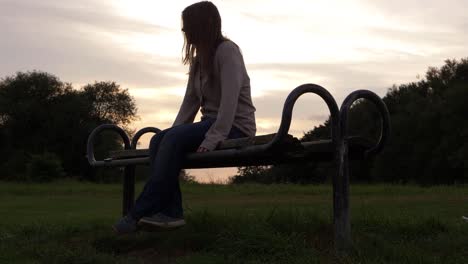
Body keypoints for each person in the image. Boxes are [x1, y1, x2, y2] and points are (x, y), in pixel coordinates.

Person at [113, 1, 256, 234]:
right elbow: (190, 101)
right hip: (210, 124)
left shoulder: (227, 52)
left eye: (187, 27)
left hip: (234, 127)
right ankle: (171, 214)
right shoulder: (200, 59)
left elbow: (230, 101)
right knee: (159, 140)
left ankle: (137, 213)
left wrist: (213, 138)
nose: (184, 32)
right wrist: (171, 134)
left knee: (169, 141)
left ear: (201, 26)